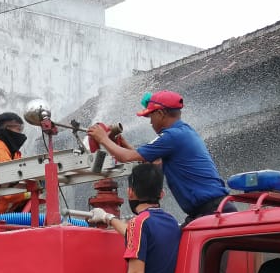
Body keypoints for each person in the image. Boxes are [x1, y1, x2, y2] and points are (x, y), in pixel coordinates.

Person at [87, 90, 231, 224]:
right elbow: (150, 162)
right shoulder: (184, 132)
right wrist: (123, 144)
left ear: (161, 113)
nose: (150, 122)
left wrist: (102, 139)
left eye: (151, 116)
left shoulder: (171, 136)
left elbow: (127, 158)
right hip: (213, 209)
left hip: (211, 212)